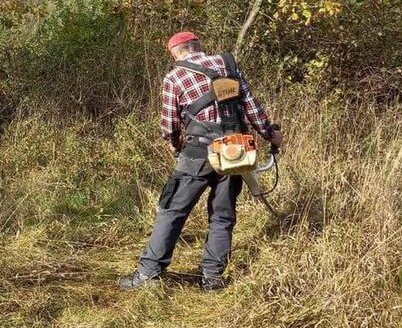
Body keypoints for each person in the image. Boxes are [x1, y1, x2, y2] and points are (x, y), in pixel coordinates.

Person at [118, 31, 283, 291]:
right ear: (198, 46)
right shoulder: (227, 64)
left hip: (197, 155)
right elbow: (251, 106)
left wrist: (175, 147)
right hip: (235, 152)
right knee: (222, 215)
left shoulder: (174, 76)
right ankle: (212, 278)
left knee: (171, 211)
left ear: (176, 53)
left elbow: (169, 125)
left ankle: (148, 274)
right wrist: (270, 134)